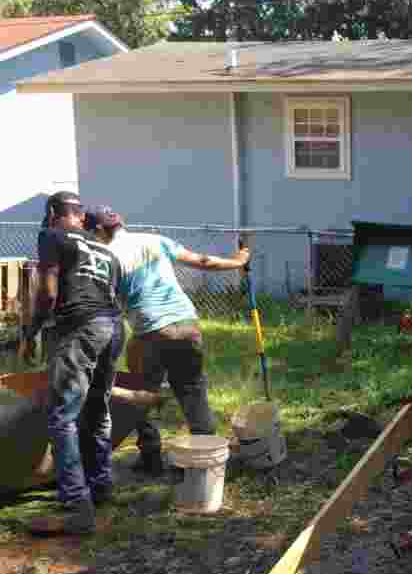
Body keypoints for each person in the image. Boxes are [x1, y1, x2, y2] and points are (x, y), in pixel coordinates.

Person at [88, 207, 250, 476]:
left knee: (141, 394)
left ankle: (151, 456)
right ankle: (207, 462)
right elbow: (203, 262)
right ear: (121, 223)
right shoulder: (155, 240)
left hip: (150, 332)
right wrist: (238, 262)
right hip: (187, 325)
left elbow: (103, 300)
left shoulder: (106, 257)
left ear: (97, 231)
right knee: (193, 391)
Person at [22, 192, 123, 535]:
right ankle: (101, 486)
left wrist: (31, 330)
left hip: (81, 327)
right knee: (98, 409)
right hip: (113, 328)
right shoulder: (106, 249)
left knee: (62, 415)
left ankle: (76, 505)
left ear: (53, 213)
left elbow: (48, 293)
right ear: (81, 216)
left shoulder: (52, 236)